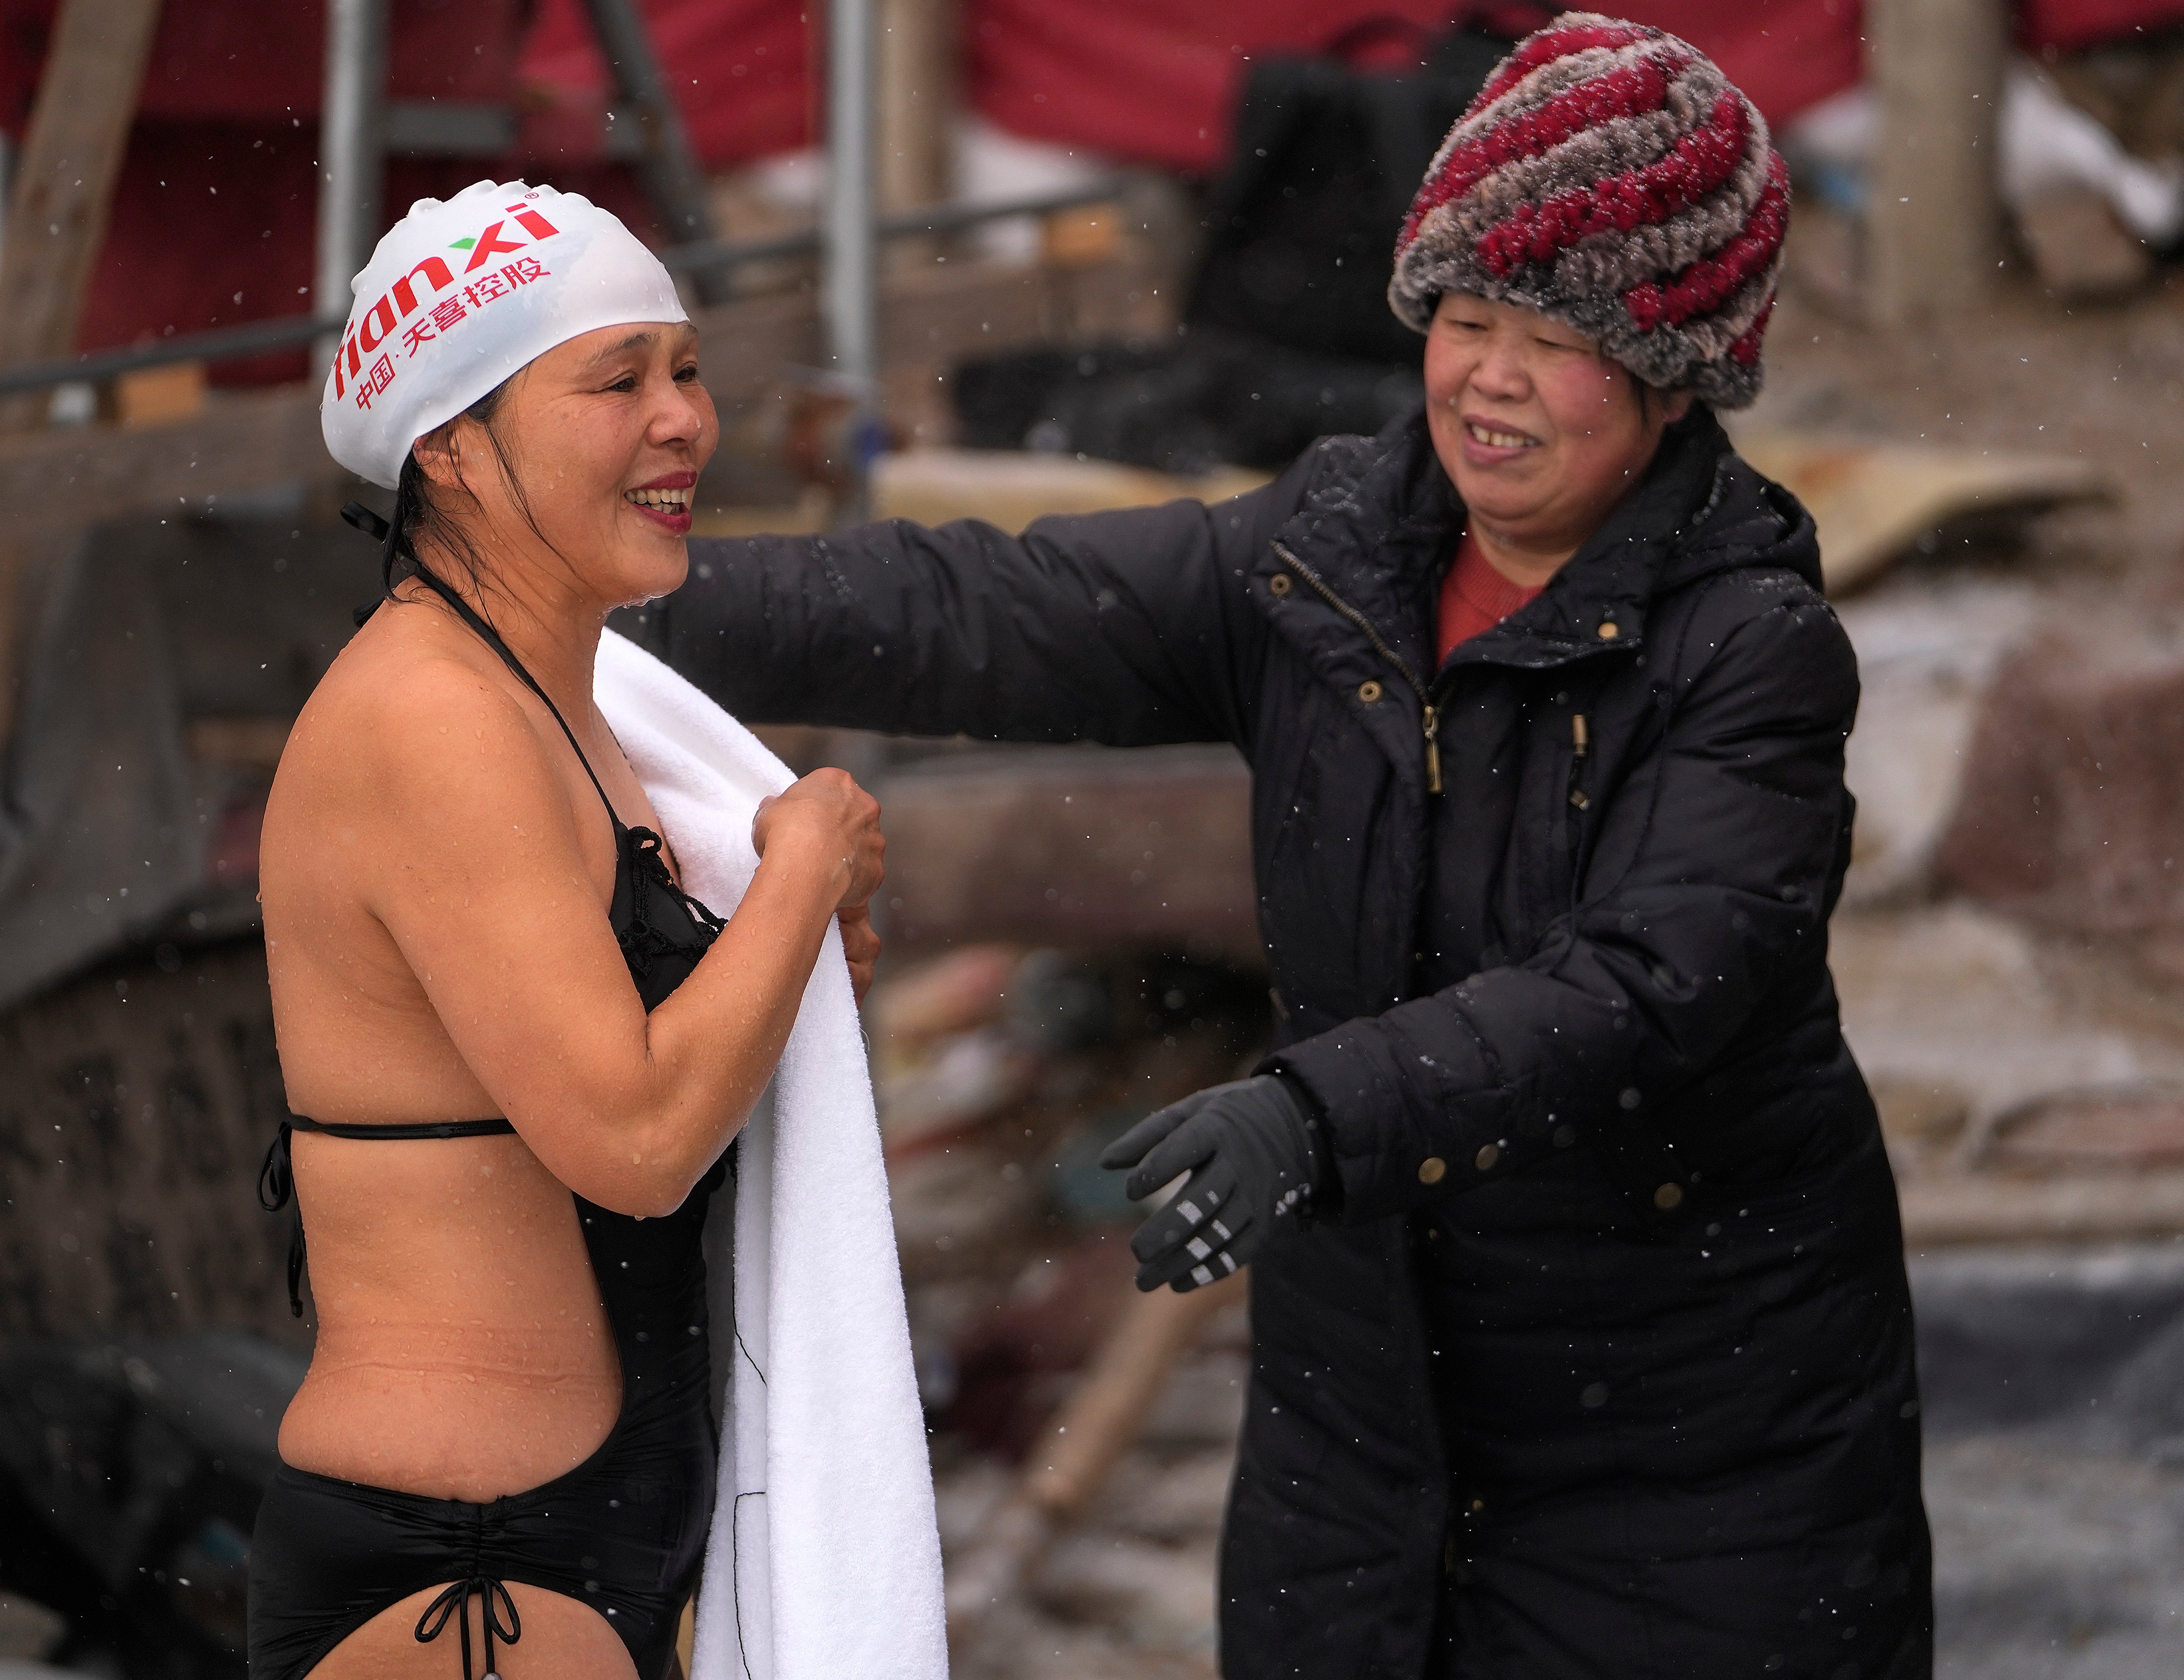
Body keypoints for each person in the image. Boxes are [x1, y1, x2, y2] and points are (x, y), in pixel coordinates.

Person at [622, 16, 1930, 1677]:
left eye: (1556, 336)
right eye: (1464, 318)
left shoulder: (1748, 649)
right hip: (1362, 1449)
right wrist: (645, 610)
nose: (1490, 378)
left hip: (1693, 1473)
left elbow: (1647, 991)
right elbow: (997, 612)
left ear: (1678, 373)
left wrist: (1311, 1113)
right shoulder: (1335, 551)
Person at [245, 181, 884, 1680]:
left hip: (574, 1536)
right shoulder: (431, 723)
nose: (684, 422)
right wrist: (801, 867)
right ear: (454, 451)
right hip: (467, 1560)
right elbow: (637, 1139)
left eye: (687, 369)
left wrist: (777, 953)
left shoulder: (562, 706)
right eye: (618, 380)